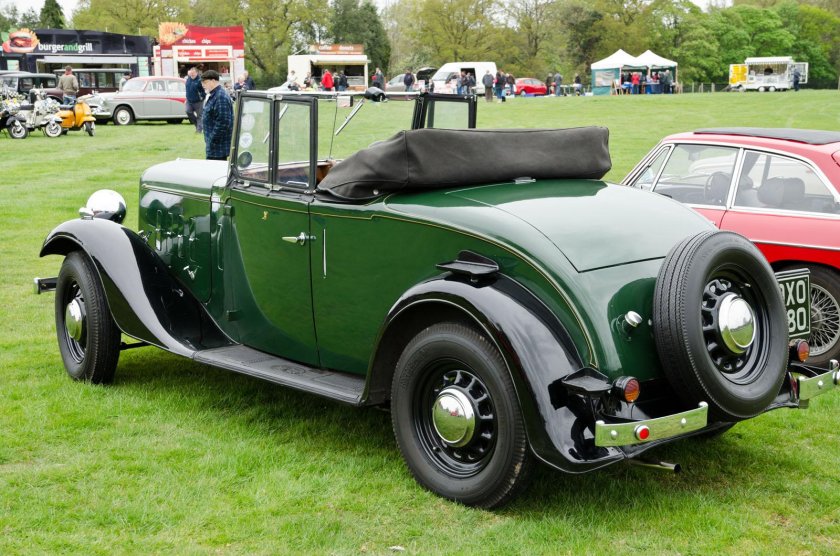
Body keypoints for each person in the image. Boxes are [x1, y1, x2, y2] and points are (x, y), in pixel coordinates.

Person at [200, 70, 234, 161]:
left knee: (214, 169)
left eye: (205, 82)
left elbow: (224, 122)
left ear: (213, 81)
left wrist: (212, 139)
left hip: (218, 146)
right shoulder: (214, 94)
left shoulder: (220, 96)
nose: (202, 85)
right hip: (214, 145)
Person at [184, 66, 205, 133]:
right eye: (191, 73)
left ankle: (199, 130)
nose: (192, 74)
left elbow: (204, 90)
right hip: (189, 100)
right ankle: (197, 125)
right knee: (188, 111)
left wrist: (202, 97)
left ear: (197, 73)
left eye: (193, 73)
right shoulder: (188, 79)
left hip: (198, 101)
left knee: (199, 116)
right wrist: (186, 98)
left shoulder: (200, 80)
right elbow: (187, 90)